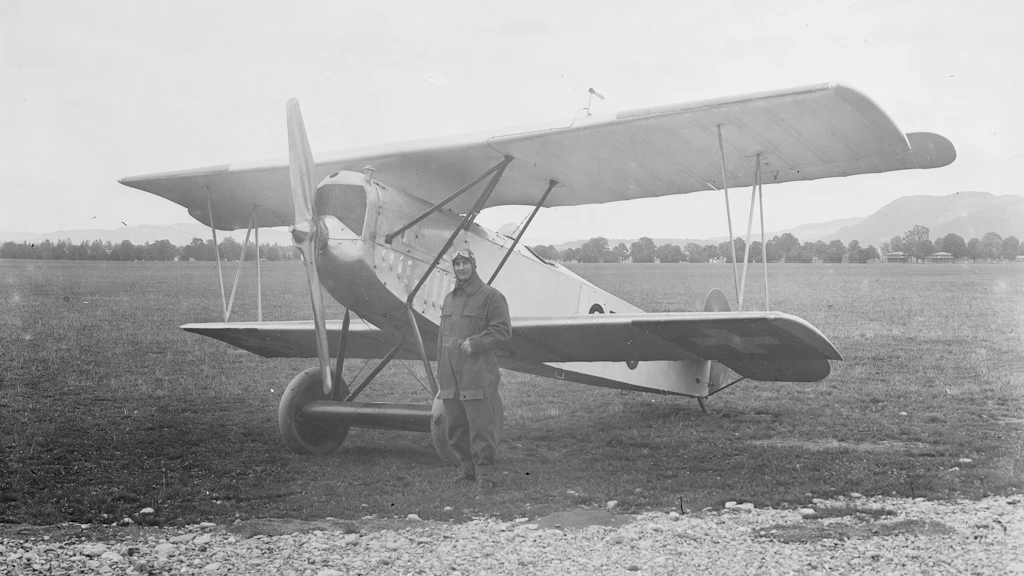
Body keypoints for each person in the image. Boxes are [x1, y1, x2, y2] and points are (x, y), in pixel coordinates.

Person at [436, 248, 511, 491]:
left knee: (480, 423)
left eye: (465, 263)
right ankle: (468, 469)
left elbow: (502, 331)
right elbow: (442, 337)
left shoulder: (491, 296)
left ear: (474, 265)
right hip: (450, 370)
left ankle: (485, 476)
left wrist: (477, 343)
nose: (461, 268)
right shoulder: (449, 299)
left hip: (476, 370)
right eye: (457, 264)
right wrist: (441, 366)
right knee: (455, 423)